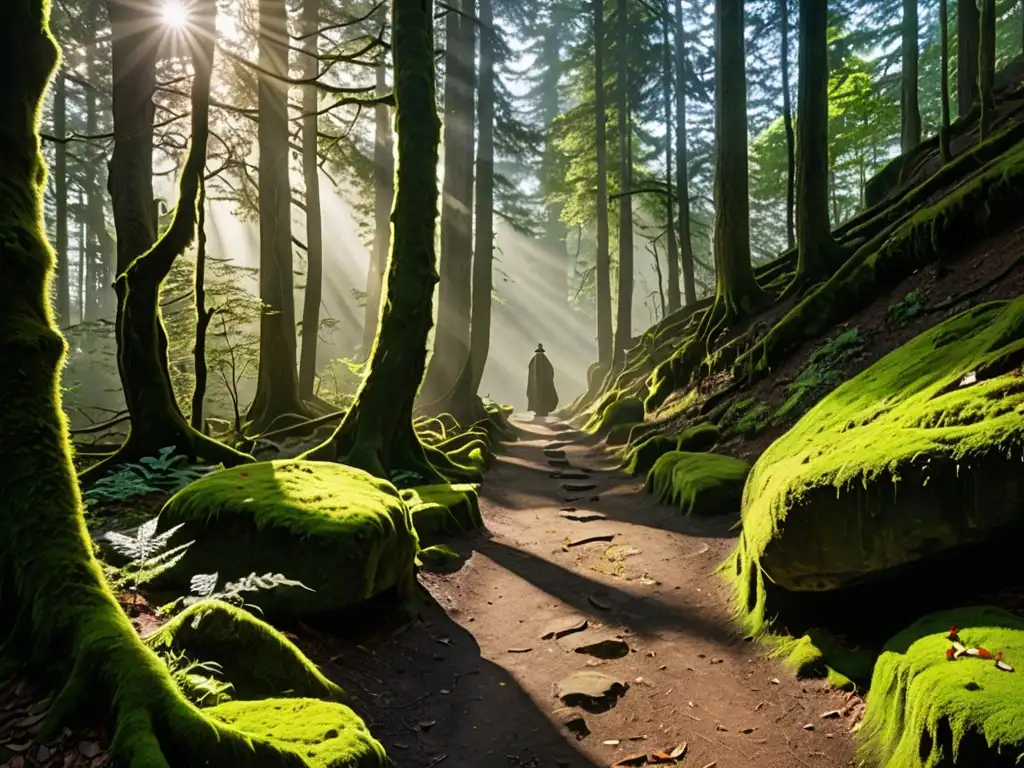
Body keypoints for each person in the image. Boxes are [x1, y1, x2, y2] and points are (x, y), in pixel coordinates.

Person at [527, 343, 559, 418]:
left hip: (543, 384)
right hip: (538, 384)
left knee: (544, 397)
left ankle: (543, 411)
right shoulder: (536, 360)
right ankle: (539, 411)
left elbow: (550, 371)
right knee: (538, 397)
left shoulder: (542, 360)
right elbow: (531, 371)